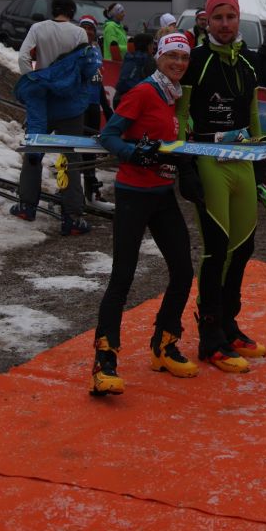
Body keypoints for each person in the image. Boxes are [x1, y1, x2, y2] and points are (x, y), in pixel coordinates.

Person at [90, 32, 203, 396]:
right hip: (133, 194)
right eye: (172, 56)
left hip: (162, 195)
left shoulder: (176, 96)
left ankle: (164, 346)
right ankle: (104, 362)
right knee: (122, 276)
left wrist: (184, 167)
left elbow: (172, 144)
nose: (178, 63)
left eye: (183, 58)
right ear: (159, 58)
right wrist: (134, 154)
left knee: (183, 271)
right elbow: (108, 136)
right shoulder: (143, 92)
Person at [176, 0, 266, 373]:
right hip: (209, 159)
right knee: (217, 248)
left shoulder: (248, 62)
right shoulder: (195, 61)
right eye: (218, 18)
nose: (225, 24)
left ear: (238, 18)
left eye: (231, 17)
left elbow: (254, 115)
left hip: (242, 159)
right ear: (207, 21)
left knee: (243, 248)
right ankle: (209, 336)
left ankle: (229, 324)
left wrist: (261, 164)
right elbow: (181, 116)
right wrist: (185, 168)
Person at [12, 0, 100, 235]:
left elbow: (23, 57)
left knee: (34, 149)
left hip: (43, 101)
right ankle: (72, 217)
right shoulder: (79, 33)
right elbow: (86, 66)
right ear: (72, 12)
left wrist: (35, 80)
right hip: (70, 104)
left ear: (53, 10)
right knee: (70, 157)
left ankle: (26, 205)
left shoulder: (38, 28)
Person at [78, 14, 109, 201]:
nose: (88, 31)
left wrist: (107, 108)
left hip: (94, 105)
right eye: (84, 27)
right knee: (77, 149)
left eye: (91, 28)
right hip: (79, 105)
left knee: (91, 149)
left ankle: (90, 191)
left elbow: (99, 81)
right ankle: (70, 190)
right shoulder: (76, 48)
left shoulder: (97, 49)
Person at [113, 32, 155, 108]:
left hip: (118, 98)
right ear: (148, 46)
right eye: (152, 44)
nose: (154, 47)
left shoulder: (129, 57)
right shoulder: (149, 60)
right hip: (135, 101)